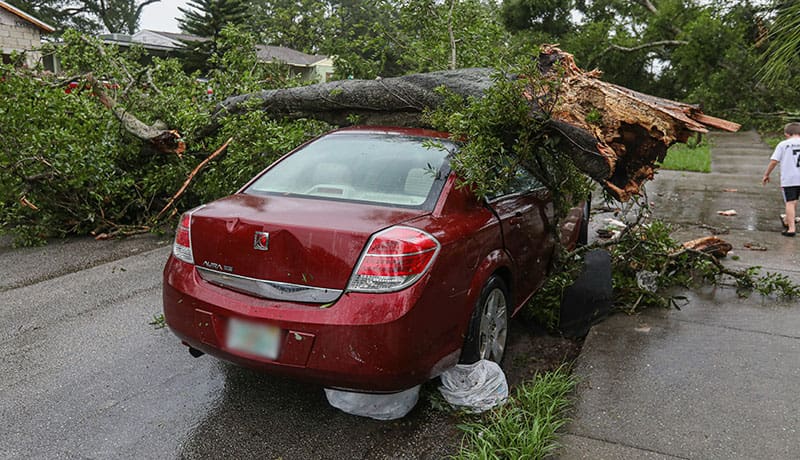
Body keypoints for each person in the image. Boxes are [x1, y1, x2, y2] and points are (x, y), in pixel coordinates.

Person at [762, 122, 800, 237]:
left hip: (790, 178)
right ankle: (788, 221)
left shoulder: (783, 145)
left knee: (790, 202)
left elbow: (774, 161)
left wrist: (766, 174)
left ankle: (791, 228)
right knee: (795, 201)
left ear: (787, 134)